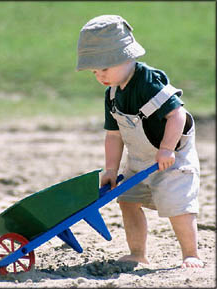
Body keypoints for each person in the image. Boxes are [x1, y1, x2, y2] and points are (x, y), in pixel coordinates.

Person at [76, 15, 204, 269]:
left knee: (178, 205)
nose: (100, 75)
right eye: (94, 71)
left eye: (105, 68)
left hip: (172, 156)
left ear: (126, 57)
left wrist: (167, 148)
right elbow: (114, 135)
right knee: (127, 200)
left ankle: (191, 254)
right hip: (139, 160)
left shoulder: (147, 81)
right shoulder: (112, 93)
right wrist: (111, 169)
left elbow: (177, 114)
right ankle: (138, 253)